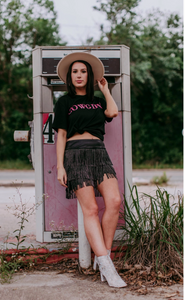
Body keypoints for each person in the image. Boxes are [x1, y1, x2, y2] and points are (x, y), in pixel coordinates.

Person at [52, 52, 127, 288]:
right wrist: (60, 166)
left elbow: (113, 112)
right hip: (75, 154)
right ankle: (106, 265)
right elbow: (61, 134)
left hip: (99, 152)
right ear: (69, 77)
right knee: (92, 209)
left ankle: (104, 257)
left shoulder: (98, 100)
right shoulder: (64, 102)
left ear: (89, 75)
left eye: (83, 71)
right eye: (75, 72)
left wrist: (105, 90)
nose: (79, 75)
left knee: (114, 201)